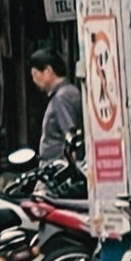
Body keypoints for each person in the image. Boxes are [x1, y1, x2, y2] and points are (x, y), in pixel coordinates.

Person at [30, 40, 84, 175]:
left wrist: (71, 173)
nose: (34, 80)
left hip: (58, 171)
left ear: (48, 71)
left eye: (35, 74)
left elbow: (71, 137)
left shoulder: (62, 97)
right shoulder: (66, 93)